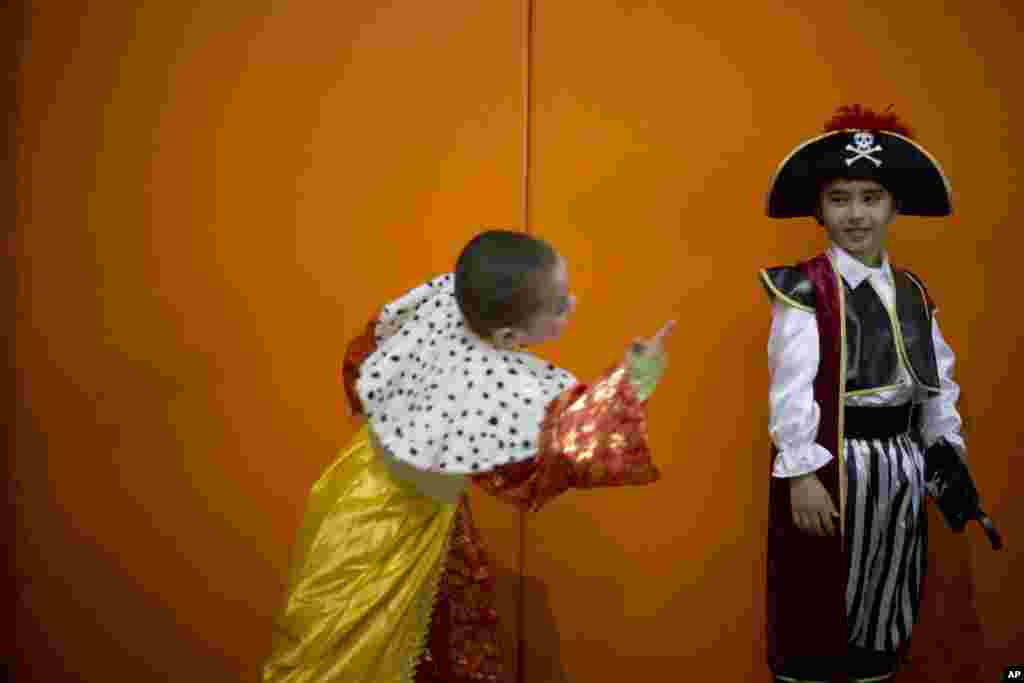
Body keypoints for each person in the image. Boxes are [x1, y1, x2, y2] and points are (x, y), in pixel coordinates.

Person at [262, 229, 675, 682]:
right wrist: (634, 382)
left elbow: (366, 352)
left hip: (354, 486)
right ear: (508, 334)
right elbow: (560, 449)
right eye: (559, 305)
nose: (572, 304)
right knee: (369, 659)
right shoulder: (481, 391)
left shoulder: (445, 299)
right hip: (401, 531)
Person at [759, 105, 973, 682]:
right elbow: (791, 388)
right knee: (821, 598)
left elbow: (936, 380)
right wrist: (802, 474)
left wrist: (945, 453)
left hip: (900, 467)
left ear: (894, 205)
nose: (857, 214)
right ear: (819, 210)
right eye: (840, 198)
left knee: (887, 595)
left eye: (872, 197)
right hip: (836, 466)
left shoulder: (911, 289)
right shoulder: (807, 288)